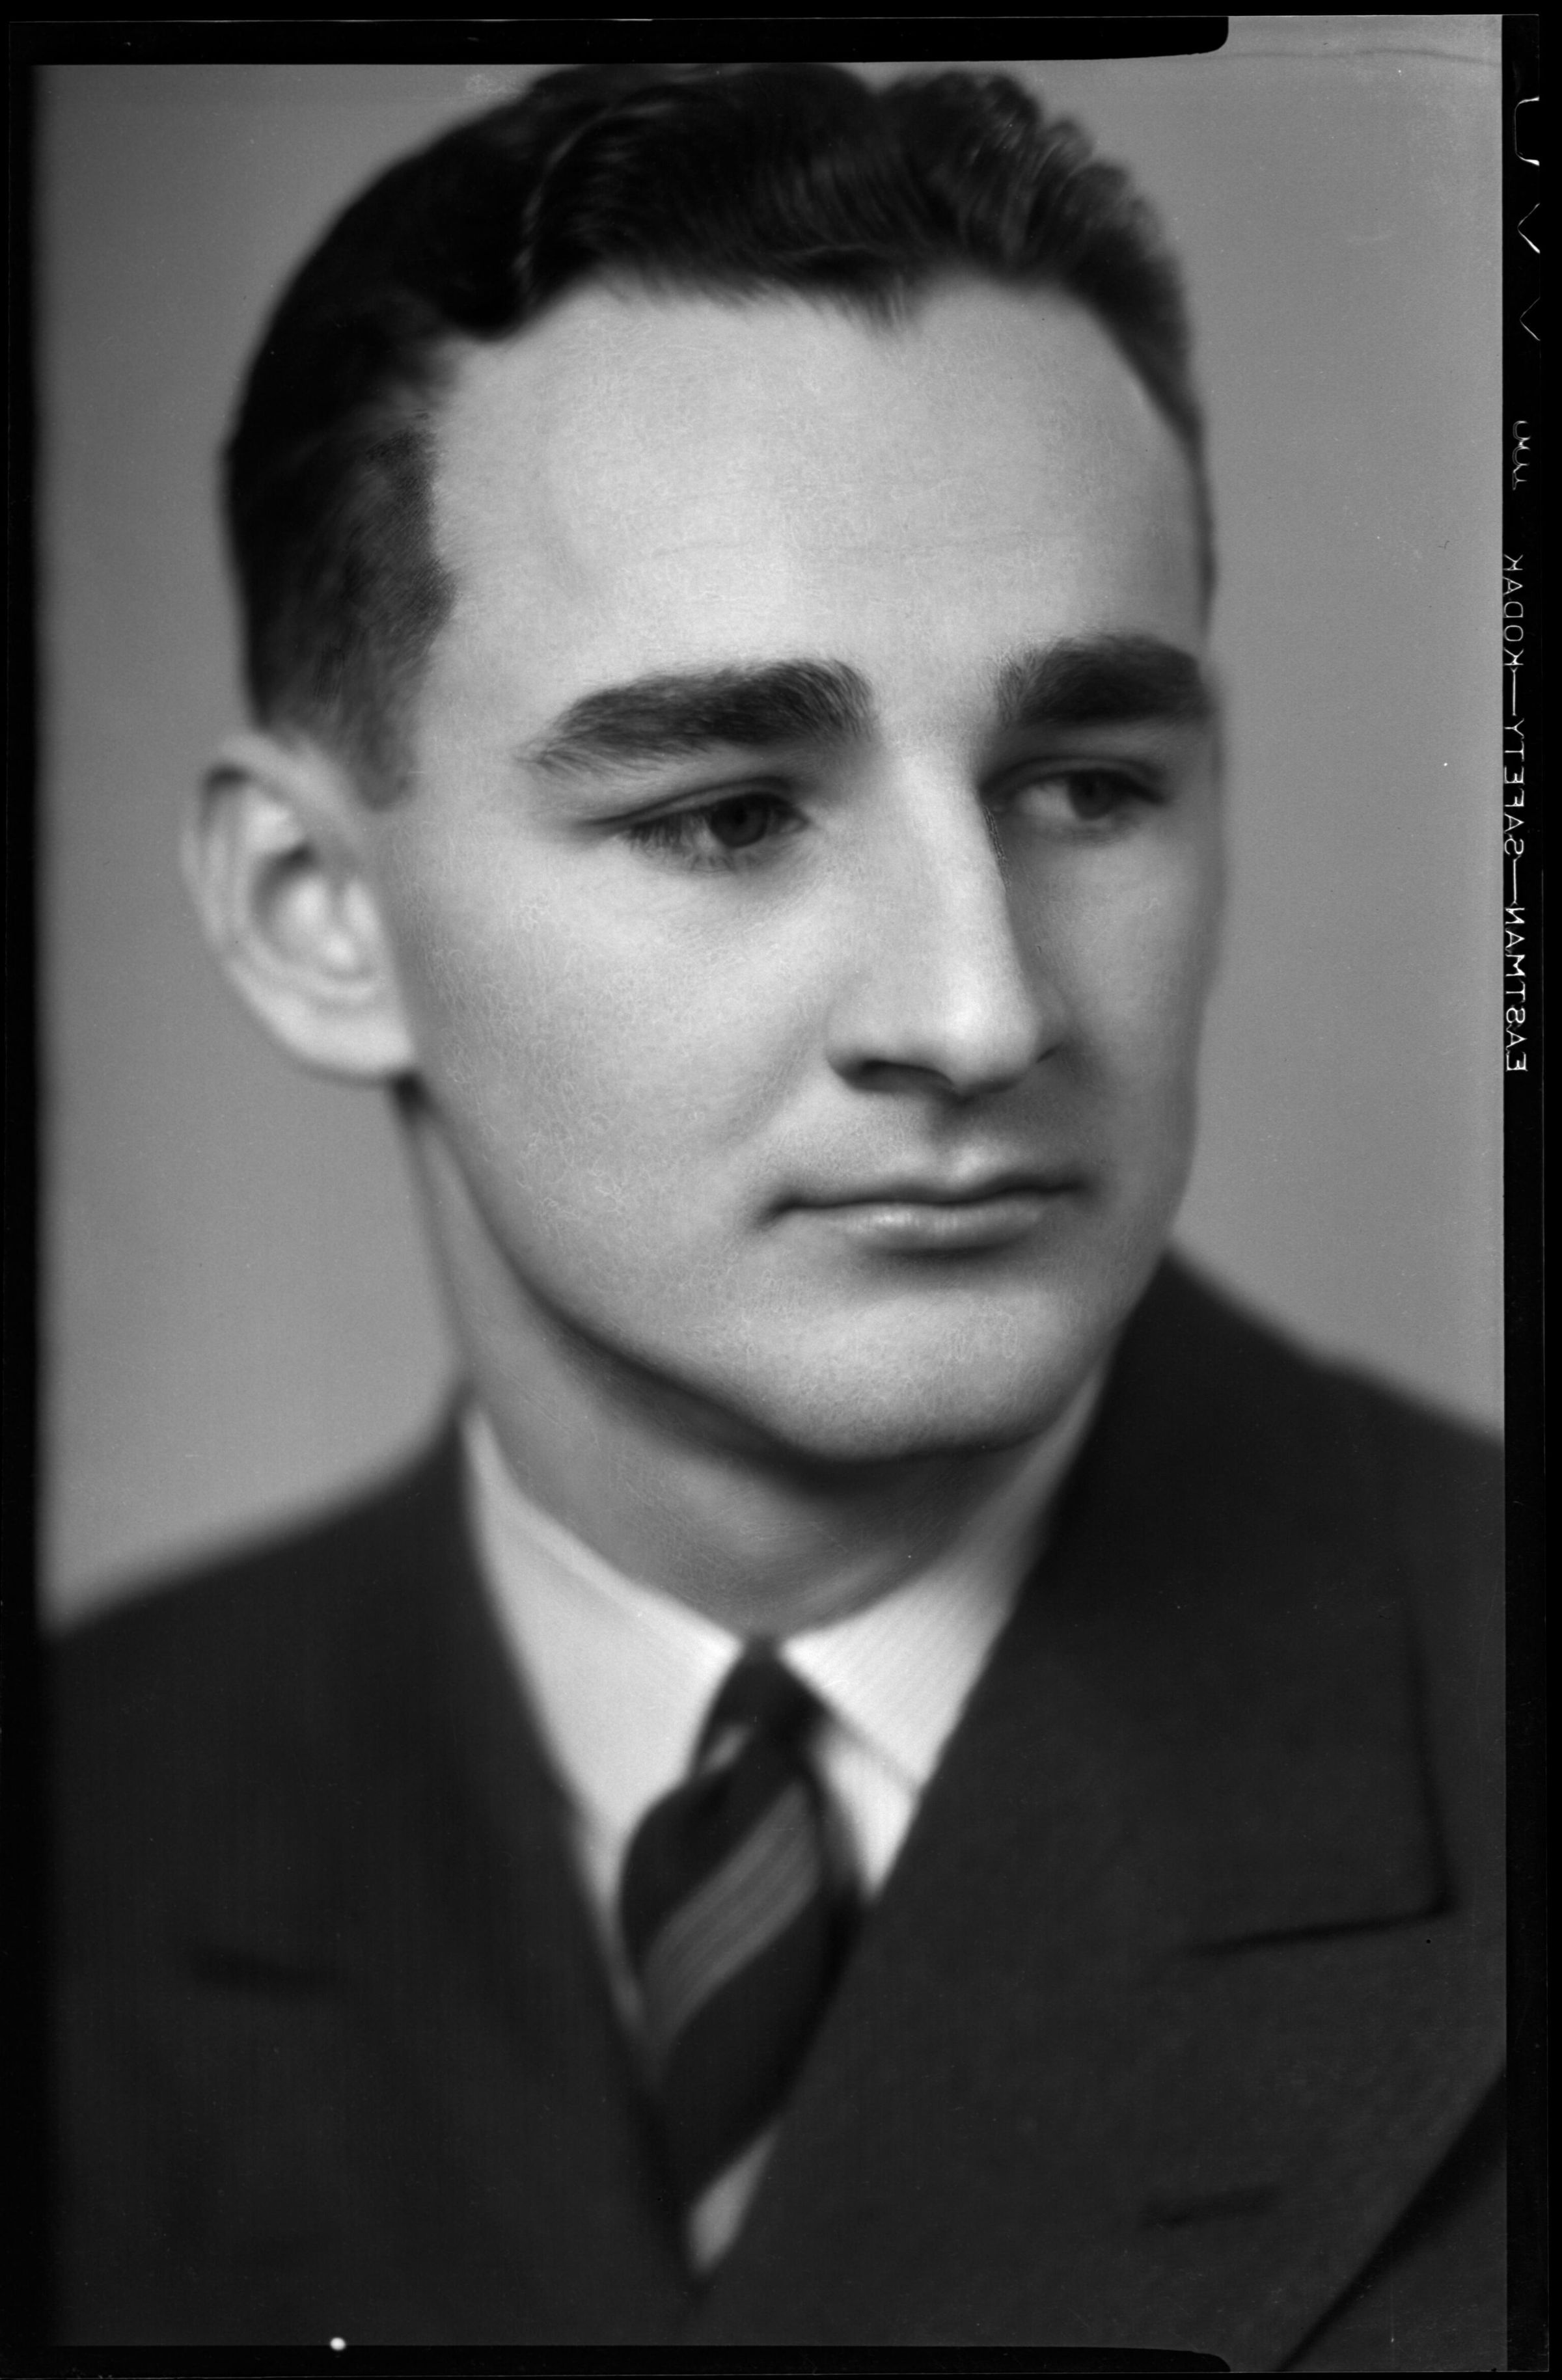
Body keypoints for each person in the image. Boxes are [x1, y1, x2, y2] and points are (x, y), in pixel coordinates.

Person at [48, 62, 1503, 2363]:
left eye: (1087, 783)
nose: (980, 1009)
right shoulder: (92, 1809)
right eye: (728, 814)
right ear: (316, 912)